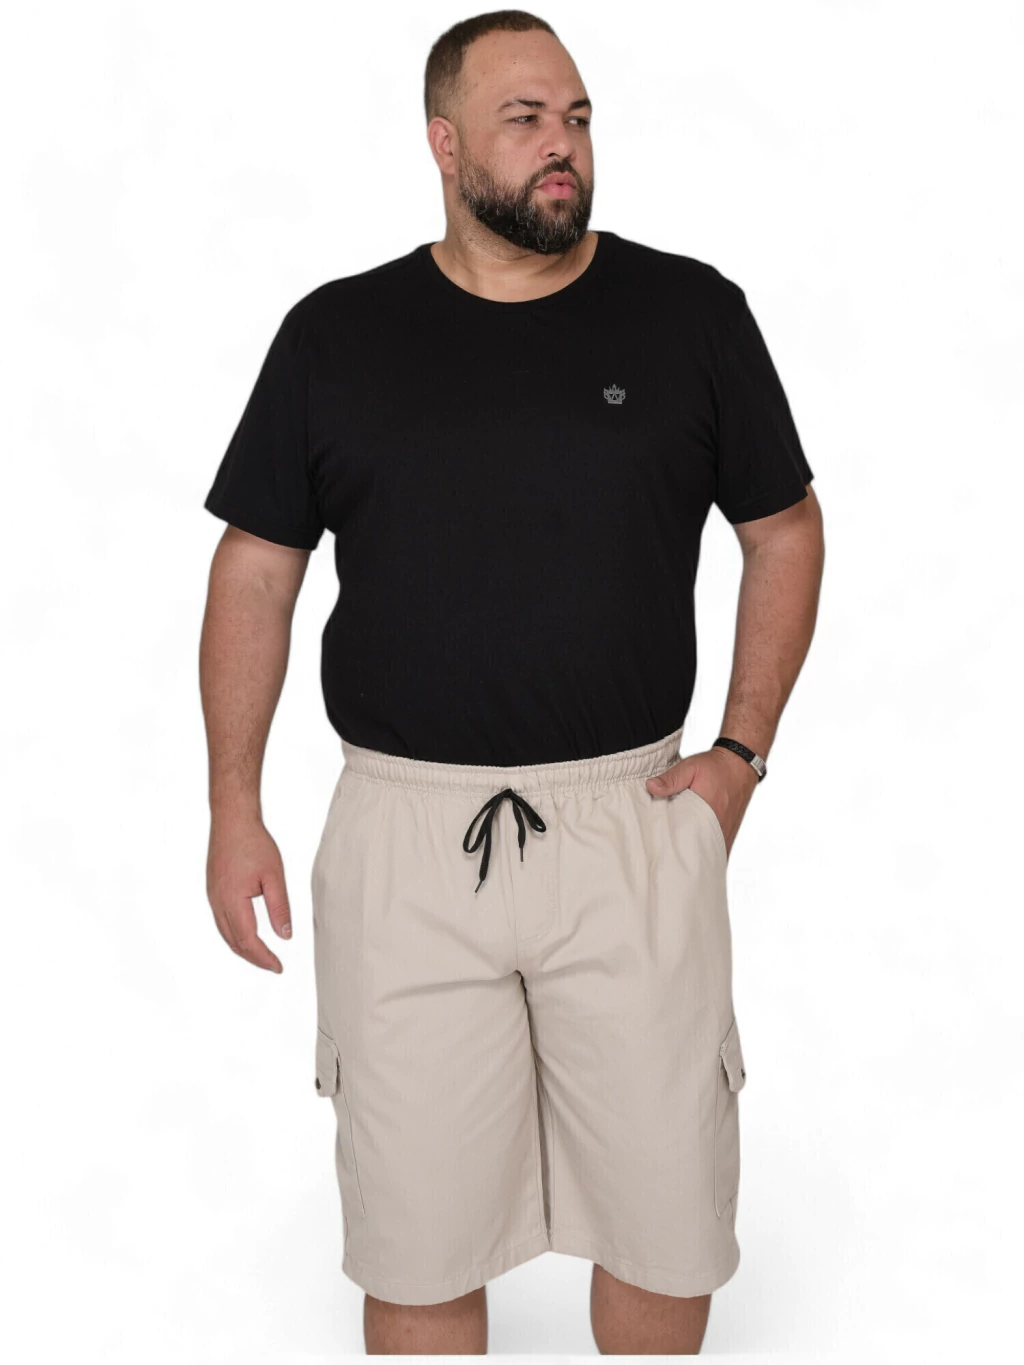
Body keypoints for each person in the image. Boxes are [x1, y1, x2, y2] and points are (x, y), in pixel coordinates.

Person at [199, 9, 824, 1354]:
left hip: (632, 820)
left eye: (578, 118)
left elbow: (783, 529)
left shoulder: (690, 316)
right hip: (404, 838)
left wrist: (739, 756)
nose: (563, 145)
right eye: (526, 120)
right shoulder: (337, 336)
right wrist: (233, 804)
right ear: (444, 143)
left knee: (665, 1226)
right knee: (418, 1243)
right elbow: (256, 570)